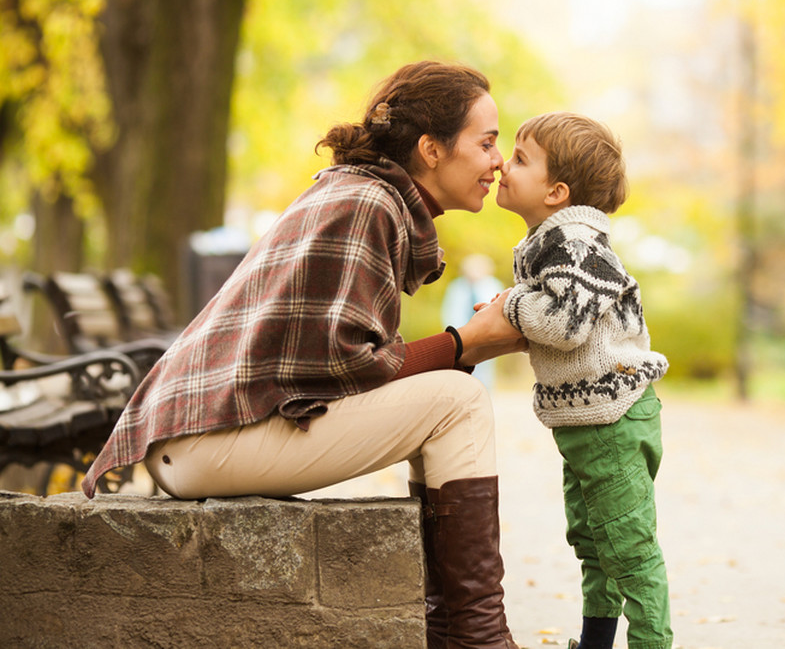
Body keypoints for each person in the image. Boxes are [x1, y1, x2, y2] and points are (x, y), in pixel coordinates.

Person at [81, 61, 525, 649]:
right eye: (487, 142)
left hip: (199, 438)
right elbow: (350, 368)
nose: (497, 162)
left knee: (450, 400)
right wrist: (466, 344)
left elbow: (337, 364)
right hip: (209, 442)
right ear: (431, 149)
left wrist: (460, 346)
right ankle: (478, 640)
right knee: (460, 400)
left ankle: (454, 634)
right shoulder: (371, 203)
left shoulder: (358, 191)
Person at [494, 112, 671, 649]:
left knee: (630, 549)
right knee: (594, 541)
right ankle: (595, 640)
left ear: (556, 192)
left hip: (613, 421)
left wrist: (511, 304)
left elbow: (565, 326)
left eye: (520, 159)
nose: (503, 164)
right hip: (586, 423)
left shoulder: (575, 244)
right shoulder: (553, 242)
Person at [442, 253, 505, 390]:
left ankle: (483, 393)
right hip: (462, 333)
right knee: (462, 367)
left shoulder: (493, 285)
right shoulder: (457, 287)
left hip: (488, 333)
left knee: (485, 368)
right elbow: (450, 311)